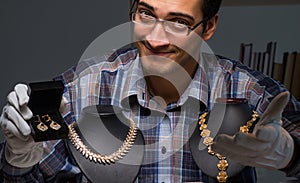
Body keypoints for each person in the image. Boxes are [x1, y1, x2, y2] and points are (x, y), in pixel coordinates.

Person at [0, 0, 299, 182]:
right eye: (146, 14)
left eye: (179, 22)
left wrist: (291, 154)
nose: (156, 38)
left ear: (208, 28)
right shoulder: (81, 89)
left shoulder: (248, 90)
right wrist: (19, 157)